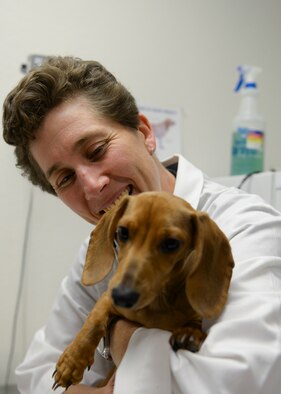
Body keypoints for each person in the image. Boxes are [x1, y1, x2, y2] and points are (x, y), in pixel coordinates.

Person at [2, 56, 281, 394]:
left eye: (95, 149)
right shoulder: (99, 247)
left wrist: (122, 337)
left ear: (145, 133)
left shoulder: (247, 226)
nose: (92, 185)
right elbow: (36, 374)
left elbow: (243, 382)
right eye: (65, 178)